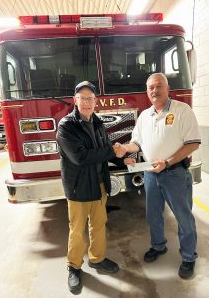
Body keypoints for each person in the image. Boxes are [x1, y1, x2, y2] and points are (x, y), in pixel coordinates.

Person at [116, 73, 201, 279]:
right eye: (150, 87)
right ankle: (158, 246)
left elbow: (193, 143)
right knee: (153, 214)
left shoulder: (182, 110)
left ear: (167, 88)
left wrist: (168, 162)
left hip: (175, 173)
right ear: (147, 91)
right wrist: (124, 148)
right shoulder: (145, 115)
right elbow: (137, 142)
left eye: (158, 86)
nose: (154, 91)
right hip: (150, 174)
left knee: (183, 217)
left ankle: (189, 257)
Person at [56, 81, 127, 294]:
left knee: (99, 224)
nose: (87, 102)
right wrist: (113, 152)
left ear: (96, 101)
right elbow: (80, 157)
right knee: (77, 230)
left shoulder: (97, 122)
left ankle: (97, 259)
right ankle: (74, 267)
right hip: (79, 188)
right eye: (82, 98)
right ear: (75, 101)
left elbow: (104, 149)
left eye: (90, 99)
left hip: (99, 185)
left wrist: (123, 161)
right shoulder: (67, 126)